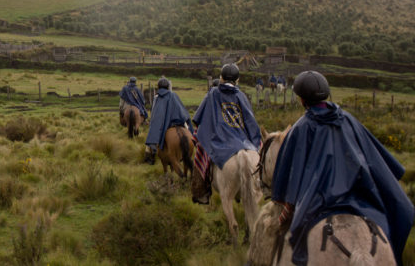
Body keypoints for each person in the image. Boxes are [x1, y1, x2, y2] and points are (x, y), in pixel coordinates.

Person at [270, 71, 414, 266]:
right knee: (401, 211)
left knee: (285, 239)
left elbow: (289, 175)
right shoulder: (349, 120)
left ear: (302, 99)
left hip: (318, 202)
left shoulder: (302, 127)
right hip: (361, 198)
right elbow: (376, 160)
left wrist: (284, 205)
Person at [191, 63, 261, 203]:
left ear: (221, 78)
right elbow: (250, 121)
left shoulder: (213, 93)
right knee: (261, 155)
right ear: (237, 80)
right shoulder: (241, 96)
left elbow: (199, 118)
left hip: (219, 138)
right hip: (242, 139)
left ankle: (201, 192)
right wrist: (255, 141)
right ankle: (265, 185)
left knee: (200, 150)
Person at [144, 77, 193, 165]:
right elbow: (181, 108)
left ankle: (149, 155)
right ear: (167, 86)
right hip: (177, 120)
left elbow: (155, 113)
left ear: (158, 87)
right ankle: (194, 144)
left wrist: (153, 122)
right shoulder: (174, 95)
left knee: (151, 133)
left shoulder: (157, 98)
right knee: (189, 131)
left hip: (162, 123)